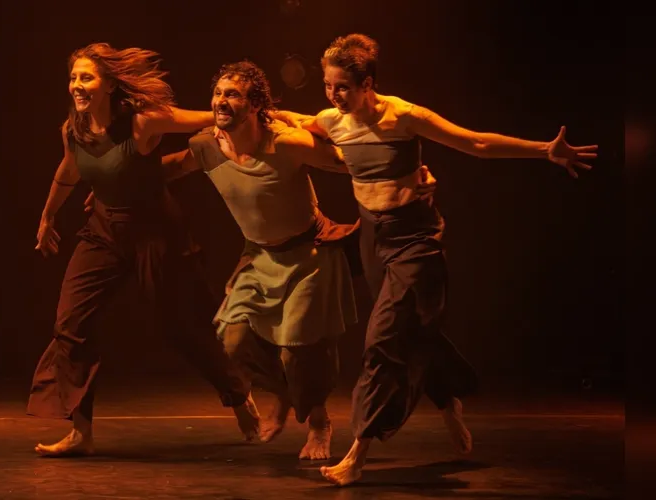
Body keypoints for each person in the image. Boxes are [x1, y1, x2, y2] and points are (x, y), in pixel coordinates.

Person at [274, 33, 597, 485]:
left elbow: (476, 143)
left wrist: (544, 149)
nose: (333, 95)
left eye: (342, 86)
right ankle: (448, 399)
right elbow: (295, 119)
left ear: (368, 84)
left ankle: (357, 452)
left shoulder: (404, 116)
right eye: (327, 85)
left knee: (382, 342)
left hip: (415, 238)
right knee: (414, 330)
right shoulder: (332, 121)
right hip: (373, 237)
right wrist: (251, 112)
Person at [94, 61, 438, 460]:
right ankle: (283, 394)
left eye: (233, 94)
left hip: (309, 254)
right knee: (233, 339)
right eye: (218, 93)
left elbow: (351, 162)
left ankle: (319, 422)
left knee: (298, 350)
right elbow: (170, 169)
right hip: (259, 257)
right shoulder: (207, 146)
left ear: (256, 104)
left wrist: (413, 175)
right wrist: (113, 188)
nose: (221, 101)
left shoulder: (287, 143)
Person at [28, 43, 259, 458]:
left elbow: (213, 118)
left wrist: (259, 116)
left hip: (156, 233)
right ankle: (81, 431)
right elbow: (70, 169)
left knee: (182, 325)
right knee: (70, 322)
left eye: (86, 77)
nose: (77, 85)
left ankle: (238, 395)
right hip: (103, 230)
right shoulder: (73, 129)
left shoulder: (143, 122)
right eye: (74, 77)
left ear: (109, 85)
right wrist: (48, 217)